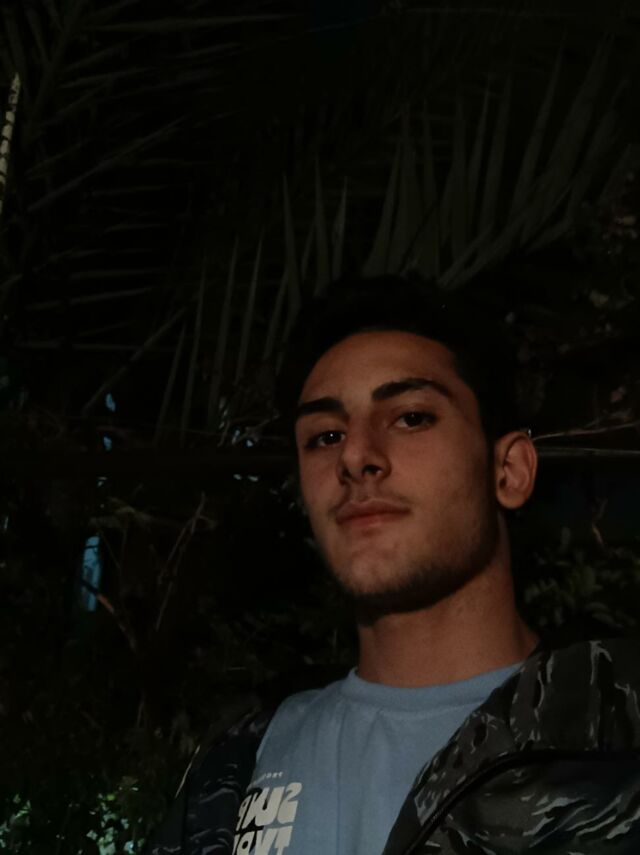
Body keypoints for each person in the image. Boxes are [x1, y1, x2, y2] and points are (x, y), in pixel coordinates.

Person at [148, 275, 640, 855]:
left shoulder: (613, 734)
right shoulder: (235, 770)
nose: (355, 456)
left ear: (508, 470)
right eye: (325, 435)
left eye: (410, 418)